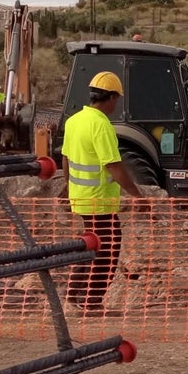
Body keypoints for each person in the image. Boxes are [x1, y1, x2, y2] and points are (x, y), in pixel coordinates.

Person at [61, 71, 146, 312]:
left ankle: (73, 295)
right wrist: (137, 195)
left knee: (92, 245)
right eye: (116, 98)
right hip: (99, 200)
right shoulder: (101, 125)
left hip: (82, 199)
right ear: (109, 97)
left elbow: (65, 159)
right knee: (108, 250)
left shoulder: (74, 121)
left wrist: (69, 190)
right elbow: (113, 165)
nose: (116, 104)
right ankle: (91, 301)